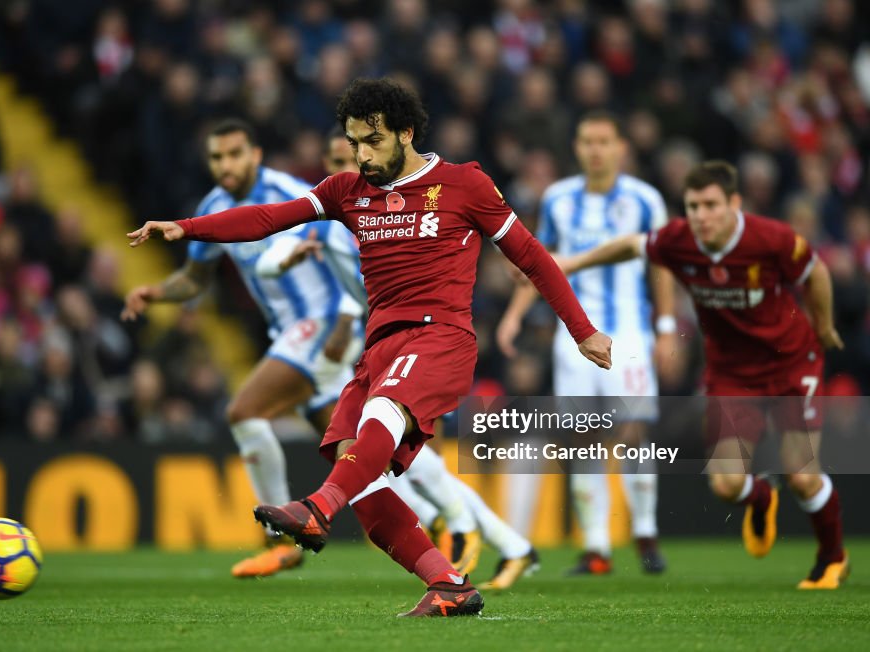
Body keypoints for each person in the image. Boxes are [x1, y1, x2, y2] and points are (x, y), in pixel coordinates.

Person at [127, 78, 611, 616]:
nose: (361, 154)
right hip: (379, 346)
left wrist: (581, 328)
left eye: (372, 141)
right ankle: (446, 582)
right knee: (348, 462)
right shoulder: (344, 191)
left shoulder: (464, 183)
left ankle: (317, 509)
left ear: (406, 133)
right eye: (354, 141)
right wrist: (187, 228)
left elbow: (532, 256)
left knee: (375, 425)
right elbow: (269, 218)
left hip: (439, 335)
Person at [259, 127, 541, 590]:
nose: (345, 168)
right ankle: (485, 558)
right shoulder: (339, 215)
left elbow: (390, 281)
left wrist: (348, 318)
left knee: (400, 453)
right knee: (364, 464)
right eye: (336, 161)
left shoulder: (405, 206)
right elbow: (271, 252)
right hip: (373, 350)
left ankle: (457, 525)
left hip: (421, 342)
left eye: (350, 158)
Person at [556, 160, 848, 589]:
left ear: (734, 203)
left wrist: (823, 327)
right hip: (732, 373)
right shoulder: (679, 240)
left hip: (790, 363)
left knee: (802, 474)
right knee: (727, 485)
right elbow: (632, 245)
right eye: (693, 206)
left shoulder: (771, 239)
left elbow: (816, 272)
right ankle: (762, 495)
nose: (701, 215)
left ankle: (832, 559)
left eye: (711, 205)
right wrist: (572, 263)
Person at [121, 119, 365, 579]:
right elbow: (195, 279)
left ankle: (279, 540)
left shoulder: (289, 190)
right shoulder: (213, 204)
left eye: (234, 154)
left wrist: (350, 317)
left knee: (244, 411)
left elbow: (344, 245)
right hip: (290, 333)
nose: (225, 165)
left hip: (323, 322)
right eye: (217, 157)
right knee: (350, 447)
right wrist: (156, 292)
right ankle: (442, 520)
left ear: (255, 154)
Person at [496, 111, 672, 575]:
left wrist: (669, 324)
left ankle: (646, 533)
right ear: (577, 147)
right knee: (583, 438)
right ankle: (597, 547)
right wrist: (513, 317)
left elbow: (662, 263)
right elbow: (537, 261)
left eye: (604, 141)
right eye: (587, 141)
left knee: (634, 435)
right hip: (572, 337)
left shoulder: (645, 200)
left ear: (620, 148)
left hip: (630, 330)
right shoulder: (557, 199)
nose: (596, 149)